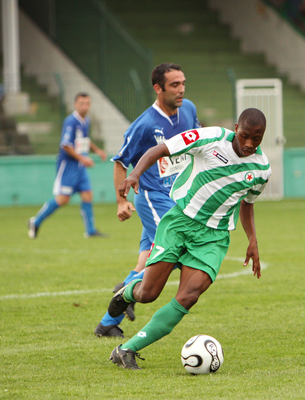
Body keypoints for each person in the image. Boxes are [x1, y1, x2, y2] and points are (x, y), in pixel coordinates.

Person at [107, 108, 272, 370]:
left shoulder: (262, 169)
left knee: (189, 296)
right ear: (236, 128)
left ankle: (127, 349)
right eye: (245, 136)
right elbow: (160, 150)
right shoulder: (211, 138)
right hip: (180, 223)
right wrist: (135, 173)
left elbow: (247, 204)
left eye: (257, 138)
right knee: (148, 293)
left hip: (213, 238)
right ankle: (127, 292)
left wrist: (253, 240)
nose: (250, 144)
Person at [93, 63, 201, 338]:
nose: (181, 90)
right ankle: (120, 302)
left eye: (183, 83)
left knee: (146, 264)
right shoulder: (144, 125)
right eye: (174, 85)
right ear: (158, 88)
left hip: (179, 200)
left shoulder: (188, 109)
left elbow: (197, 143)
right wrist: (121, 201)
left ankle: (112, 314)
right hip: (154, 199)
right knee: (176, 254)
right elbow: (120, 162)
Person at [28, 93, 107, 239]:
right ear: (75, 104)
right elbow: (65, 145)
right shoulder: (70, 121)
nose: (85, 106)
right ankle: (36, 221)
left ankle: (90, 231)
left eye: (87, 103)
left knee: (87, 195)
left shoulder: (86, 121)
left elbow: (84, 140)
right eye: (82, 103)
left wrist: (97, 151)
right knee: (64, 198)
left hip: (80, 166)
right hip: (68, 166)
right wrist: (83, 158)